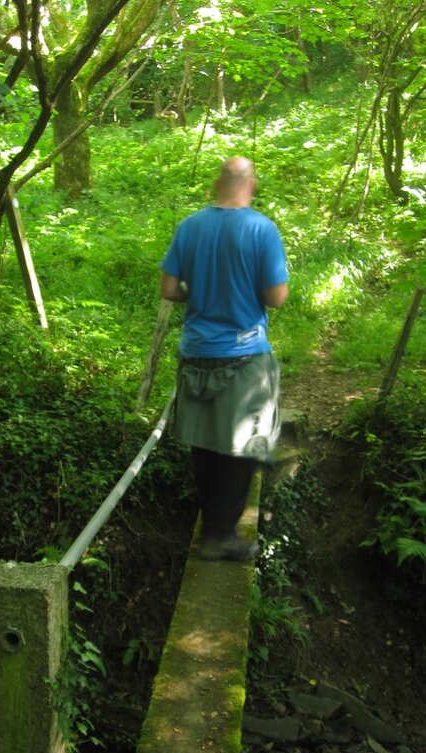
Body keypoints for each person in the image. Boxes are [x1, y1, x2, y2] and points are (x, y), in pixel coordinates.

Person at [160, 156, 289, 561]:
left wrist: (197, 294)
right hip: (244, 353)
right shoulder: (262, 230)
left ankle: (213, 521)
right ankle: (219, 535)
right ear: (251, 185)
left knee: (204, 440)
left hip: (197, 351)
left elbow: (168, 288)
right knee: (244, 445)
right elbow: (276, 297)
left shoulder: (190, 226)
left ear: (218, 184)